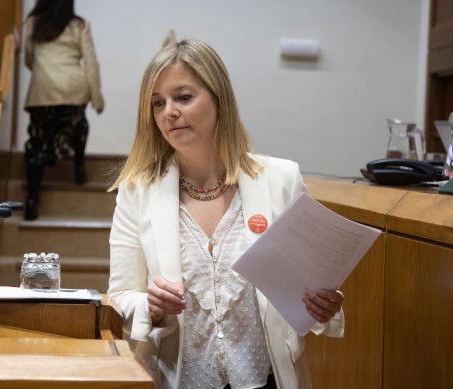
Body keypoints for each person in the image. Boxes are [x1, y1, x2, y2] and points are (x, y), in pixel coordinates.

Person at [107, 39, 345, 389]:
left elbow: (312, 287)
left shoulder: (281, 179)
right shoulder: (137, 190)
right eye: (158, 102)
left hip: (269, 379)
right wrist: (150, 307)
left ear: (219, 99)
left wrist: (325, 306)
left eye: (183, 97)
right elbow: (119, 299)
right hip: (177, 378)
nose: (169, 111)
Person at [23, 0, 104, 220]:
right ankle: (79, 167)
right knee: (78, 126)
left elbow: (29, 59)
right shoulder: (80, 25)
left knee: (36, 142)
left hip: (42, 90)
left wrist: (42, 69)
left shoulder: (33, 22)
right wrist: (97, 98)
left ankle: (31, 200)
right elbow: (91, 62)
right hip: (74, 88)